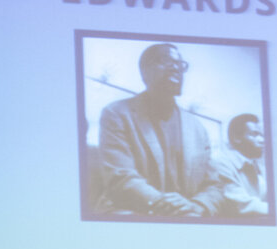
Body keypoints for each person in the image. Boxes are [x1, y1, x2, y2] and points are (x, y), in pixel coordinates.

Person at [94, 43, 222, 218]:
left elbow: (214, 185)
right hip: (131, 215)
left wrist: (197, 206)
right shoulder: (117, 113)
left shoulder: (198, 129)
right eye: (165, 60)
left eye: (180, 64)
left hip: (187, 217)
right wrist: (171, 207)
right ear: (144, 71)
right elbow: (121, 177)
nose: (175, 68)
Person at [213, 113, 269, 217]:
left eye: (262, 135)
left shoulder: (258, 166)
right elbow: (243, 205)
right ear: (236, 138)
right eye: (254, 134)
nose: (262, 140)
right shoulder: (220, 163)